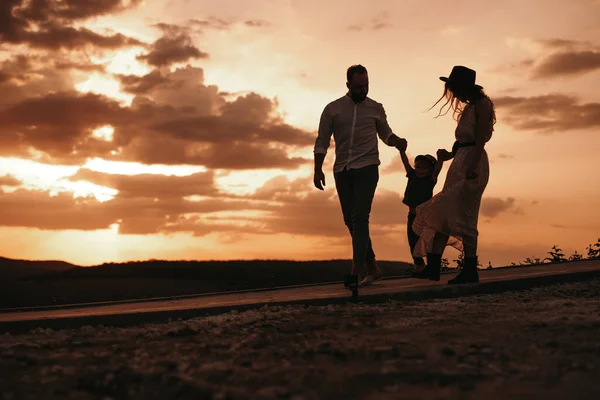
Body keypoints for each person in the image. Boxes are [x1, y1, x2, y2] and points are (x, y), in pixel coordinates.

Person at [313, 64, 407, 287]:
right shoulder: (332, 109)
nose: (363, 90)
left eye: (366, 85)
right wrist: (317, 169)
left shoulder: (376, 108)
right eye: (358, 87)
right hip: (342, 170)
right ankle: (373, 268)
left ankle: (355, 271)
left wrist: (397, 142)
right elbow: (322, 140)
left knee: (359, 217)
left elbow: (386, 134)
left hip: (368, 167)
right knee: (350, 221)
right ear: (348, 85)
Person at [411, 65, 496, 284]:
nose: (453, 93)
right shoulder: (470, 107)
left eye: (454, 87)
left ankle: (470, 269)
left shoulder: (482, 105)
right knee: (443, 214)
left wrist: (473, 166)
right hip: (460, 162)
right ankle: (433, 267)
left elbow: (478, 140)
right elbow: (463, 142)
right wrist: (449, 155)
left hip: (471, 164)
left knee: (465, 216)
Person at [397, 149, 445, 275]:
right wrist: (401, 151)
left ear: (430, 170)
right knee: (412, 241)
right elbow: (405, 163)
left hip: (425, 216)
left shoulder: (430, 180)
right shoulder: (412, 175)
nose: (420, 170)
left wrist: (440, 160)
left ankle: (431, 265)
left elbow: (437, 170)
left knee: (427, 240)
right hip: (412, 215)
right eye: (418, 166)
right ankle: (419, 264)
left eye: (424, 167)